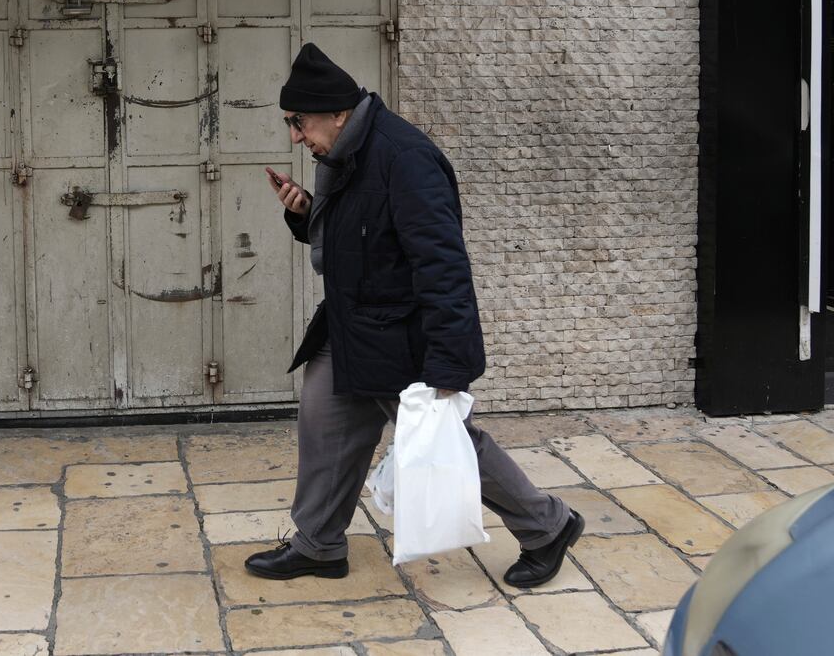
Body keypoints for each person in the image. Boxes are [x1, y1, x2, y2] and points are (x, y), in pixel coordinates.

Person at [244, 43, 582, 586]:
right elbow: (361, 239)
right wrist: (307, 213)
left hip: (399, 338)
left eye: (299, 122)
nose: (295, 136)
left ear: (337, 113)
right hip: (348, 327)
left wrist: (449, 363)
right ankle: (318, 544)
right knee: (323, 426)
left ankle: (548, 526)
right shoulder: (342, 155)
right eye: (290, 122)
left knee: (447, 446)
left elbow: (443, 265)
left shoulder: (405, 159)